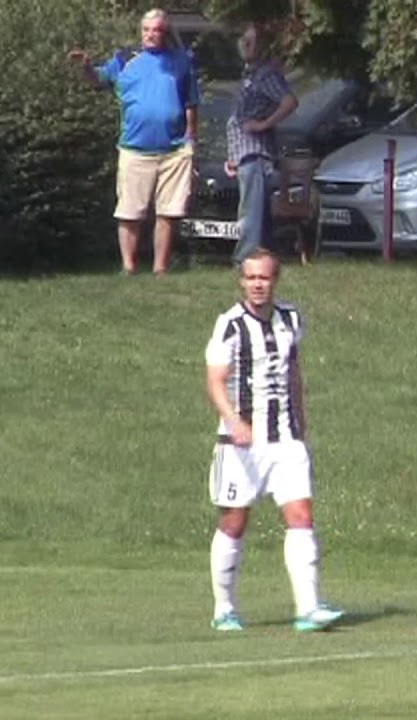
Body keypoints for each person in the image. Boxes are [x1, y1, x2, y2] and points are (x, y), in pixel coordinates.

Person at [203, 248, 343, 632]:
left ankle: (308, 608)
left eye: (263, 278)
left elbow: (293, 370)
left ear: (275, 280)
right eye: (250, 278)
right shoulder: (229, 325)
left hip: (285, 438)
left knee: (301, 517)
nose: (257, 285)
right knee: (234, 522)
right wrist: (233, 420)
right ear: (242, 281)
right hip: (241, 445)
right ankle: (224, 608)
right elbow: (214, 381)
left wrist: (302, 422)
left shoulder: (290, 319)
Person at [68, 8, 200, 276]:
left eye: (157, 30)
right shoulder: (125, 59)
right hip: (135, 149)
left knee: (168, 212)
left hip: (174, 149)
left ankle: (160, 269)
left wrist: (190, 139)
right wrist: (85, 67)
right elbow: (97, 80)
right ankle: (128, 267)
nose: (152, 35)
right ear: (141, 32)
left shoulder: (181, 61)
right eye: (147, 30)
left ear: (165, 33)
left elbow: (191, 103)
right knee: (130, 211)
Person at [224, 23, 298, 264]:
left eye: (252, 41)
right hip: (244, 155)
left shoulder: (266, 75)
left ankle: (245, 260)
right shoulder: (249, 76)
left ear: (263, 47)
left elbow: (289, 101)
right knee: (259, 214)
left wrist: (264, 124)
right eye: (243, 40)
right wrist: (233, 158)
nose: (245, 45)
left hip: (256, 155)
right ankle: (264, 260)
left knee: (251, 214)